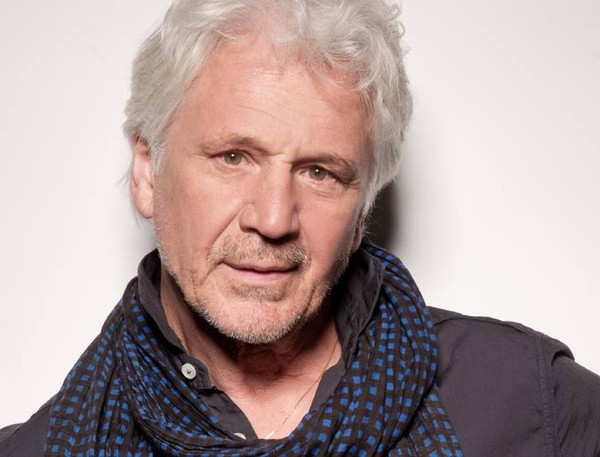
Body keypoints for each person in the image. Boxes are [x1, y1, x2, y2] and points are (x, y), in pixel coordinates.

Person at [1, 0, 599, 456]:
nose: (272, 219)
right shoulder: (43, 447)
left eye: (320, 172)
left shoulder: (527, 402)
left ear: (363, 207)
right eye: (234, 157)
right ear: (147, 171)